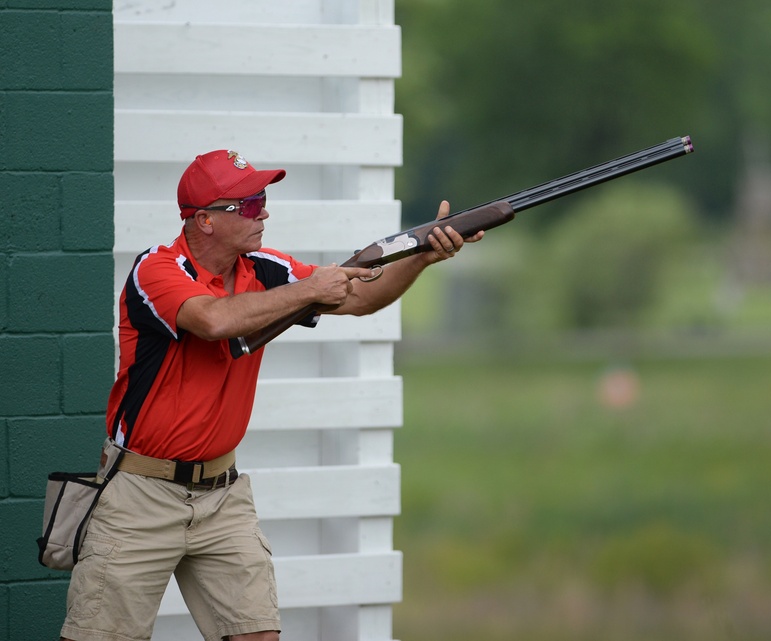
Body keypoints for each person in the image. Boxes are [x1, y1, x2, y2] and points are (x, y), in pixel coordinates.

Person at [60, 149, 480, 641]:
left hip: (222, 493)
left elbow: (361, 297)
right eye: (249, 202)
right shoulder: (157, 269)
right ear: (204, 220)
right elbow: (213, 320)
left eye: (262, 198)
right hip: (140, 495)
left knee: (257, 635)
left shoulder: (264, 266)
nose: (264, 211)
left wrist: (422, 256)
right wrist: (310, 290)